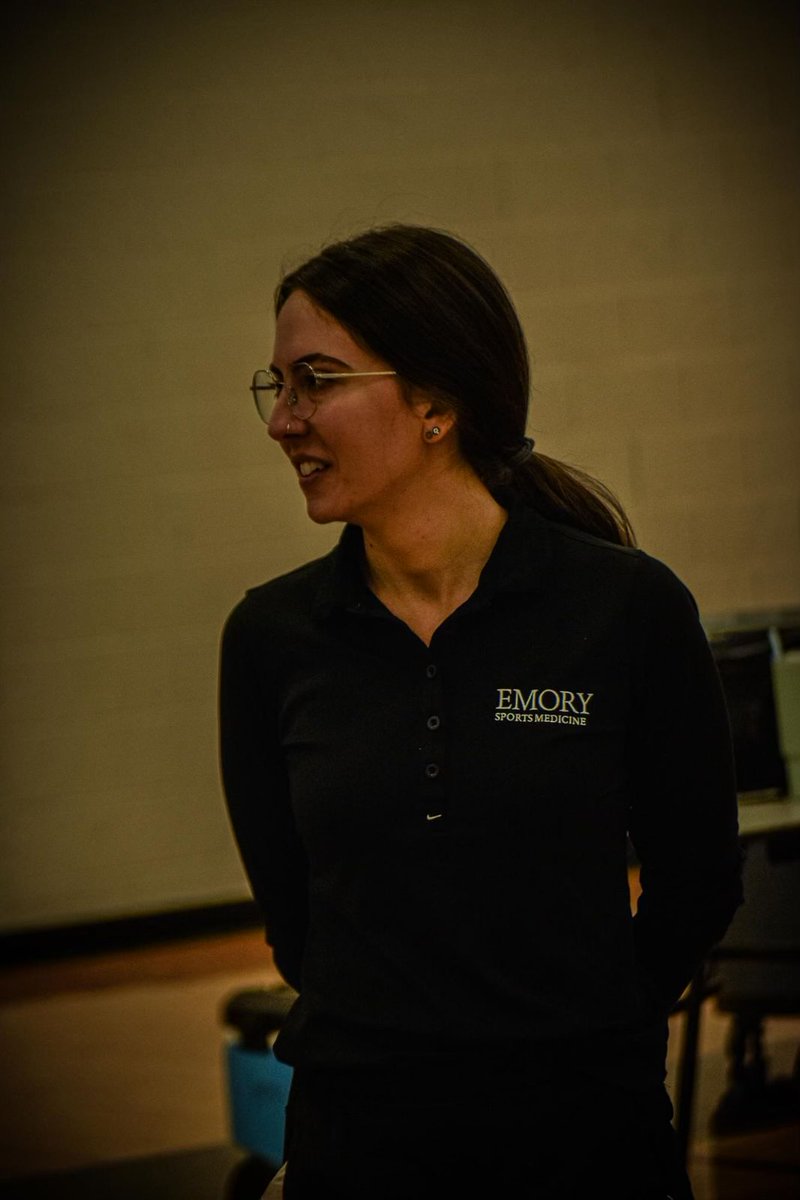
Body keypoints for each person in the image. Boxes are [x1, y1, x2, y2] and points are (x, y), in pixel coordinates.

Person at [219, 224, 744, 1199]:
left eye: (315, 382)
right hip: (359, 1129)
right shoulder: (270, 635)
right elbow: (293, 918)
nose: (281, 421)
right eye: (276, 385)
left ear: (433, 401)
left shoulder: (625, 609)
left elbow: (697, 877)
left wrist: (595, 1025)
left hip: (583, 1131)